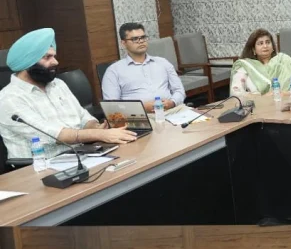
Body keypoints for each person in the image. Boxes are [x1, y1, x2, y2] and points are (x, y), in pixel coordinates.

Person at [0, 28, 136, 161]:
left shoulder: (57, 85)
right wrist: (99, 134)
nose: (55, 62)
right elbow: (55, 135)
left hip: (81, 155)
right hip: (39, 166)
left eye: (54, 56)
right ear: (27, 63)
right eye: (47, 57)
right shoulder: (9, 98)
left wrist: (96, 127)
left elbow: (82, 117)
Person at [101, 22, 185, 112]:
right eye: (135, 39)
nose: (141, 41)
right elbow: (111, 106)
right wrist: (141, 108)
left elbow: (179, 90)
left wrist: (172, 102)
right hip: (139, 116)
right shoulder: (114, 71)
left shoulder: (163, 63)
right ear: (123, 43)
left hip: (172, 111)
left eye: (143, 37)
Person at [230, 28, 291, 97]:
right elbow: (236, 92)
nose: (265, 46)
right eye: (260, 43)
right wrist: (263, 97)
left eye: (268, 42)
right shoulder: (246, 66)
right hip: (259, 107)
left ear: (272, 46)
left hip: (288, 103)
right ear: (254, 49)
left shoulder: (284, 59)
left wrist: (286, 93)